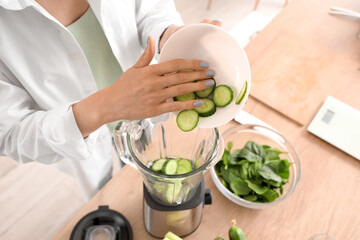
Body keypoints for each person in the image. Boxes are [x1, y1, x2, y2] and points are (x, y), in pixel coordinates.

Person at [0, 0, 221, 200]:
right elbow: (10, 133)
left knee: (146, 161)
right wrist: (106, 106)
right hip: (77, 134)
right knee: (108, 195)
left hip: (149, 106)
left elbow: (149, 6)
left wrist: (168, 33)